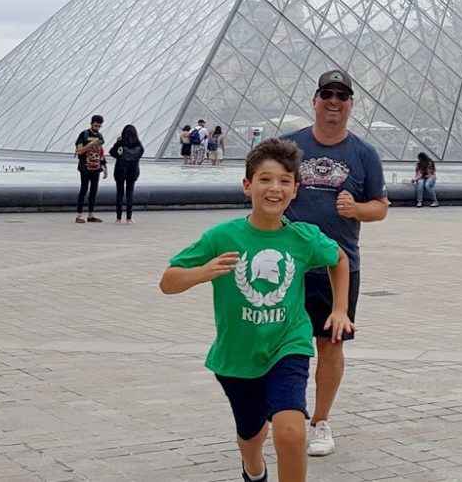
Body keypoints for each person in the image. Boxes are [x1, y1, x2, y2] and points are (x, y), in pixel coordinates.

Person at [159, 138, 354, 482]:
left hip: (287, 345)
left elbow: (338, 258)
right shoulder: (222, 236)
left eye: (284, 181)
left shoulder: (303, 237)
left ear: (296, 189)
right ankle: (253, 469)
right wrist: (202, 273)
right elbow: (168, 280)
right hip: (237, 356)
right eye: (265, 179)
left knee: (290, 432)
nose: (274, 188)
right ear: (247, 186)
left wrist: (340, 310)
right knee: (251, 437)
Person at [282, 69, 388, 457]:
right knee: (279, 342)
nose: (334, 101)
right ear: (314, 100)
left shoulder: (364, 154)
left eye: (342, 96)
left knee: (330, 344)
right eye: (327, 93)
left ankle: (320, 421)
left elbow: (380, 208)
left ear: (350, 105)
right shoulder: (288, 146)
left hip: (337, 268)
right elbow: (265, 186)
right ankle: (283, 412)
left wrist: (357, 208)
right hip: (286, 263)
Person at [74, 115, 107, 223]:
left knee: (94, 191)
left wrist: (104, 166)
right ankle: (79, 215)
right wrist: (90, 144)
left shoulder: (100, 136)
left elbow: (101, 152)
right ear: (91, 123)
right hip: (85, 166)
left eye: (99, 126)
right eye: (95, 125)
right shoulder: (84, 134)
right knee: (84, 190)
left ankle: (91, 215)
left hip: (96, 167)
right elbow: (79, 151)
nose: (97, 128)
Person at [109, 125, 144, 223]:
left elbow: (112, 153)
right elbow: (140, 153)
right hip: (133, 171)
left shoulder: (121, 143)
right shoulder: (138, 144)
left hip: (120, 170)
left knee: (119, 193)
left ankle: (118, 218)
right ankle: (129, 218)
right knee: (130, 193)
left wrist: (117, 143)